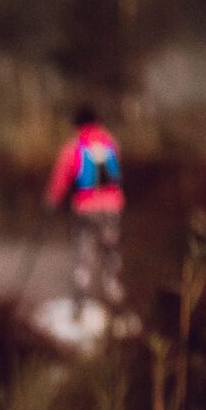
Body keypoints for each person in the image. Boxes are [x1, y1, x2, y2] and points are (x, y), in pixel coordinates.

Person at [44, 104, 124, 316]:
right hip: (112, 209)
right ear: (97, 121)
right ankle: (115, 300)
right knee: (110, 253)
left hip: (86, 209)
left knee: (84, 255)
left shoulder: (74, 147)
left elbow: (61, 178)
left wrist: (51, 201)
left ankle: (78, 306)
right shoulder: (110, 143)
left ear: (78, 124)